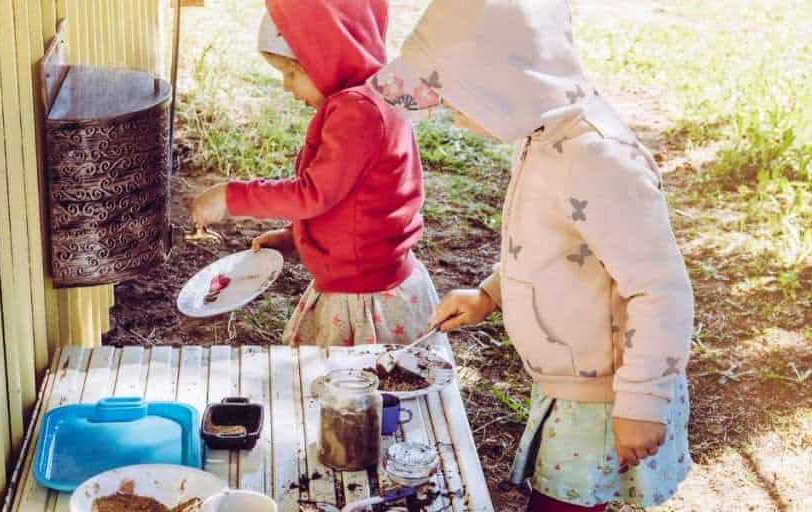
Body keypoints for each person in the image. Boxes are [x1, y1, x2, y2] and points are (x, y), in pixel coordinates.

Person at [368, 0, 695, 510]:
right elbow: (557, 251)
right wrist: (488, 295)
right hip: (572, 383)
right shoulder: (541, 133)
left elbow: (660, 289)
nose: (446, 108)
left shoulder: (601, 160)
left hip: (608, 396)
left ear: (505, 79)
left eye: (456, 94)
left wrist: (643, 401)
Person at [191, 0, 442, 348]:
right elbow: (359, 199)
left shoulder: (358, 112)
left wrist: (230, 195)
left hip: (364, 296)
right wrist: (298, 236)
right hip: (367, 276)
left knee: (357, 391)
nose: (286, 87)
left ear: (328, 54)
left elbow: (314, 193)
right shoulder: (375, 93)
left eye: (292, 73)